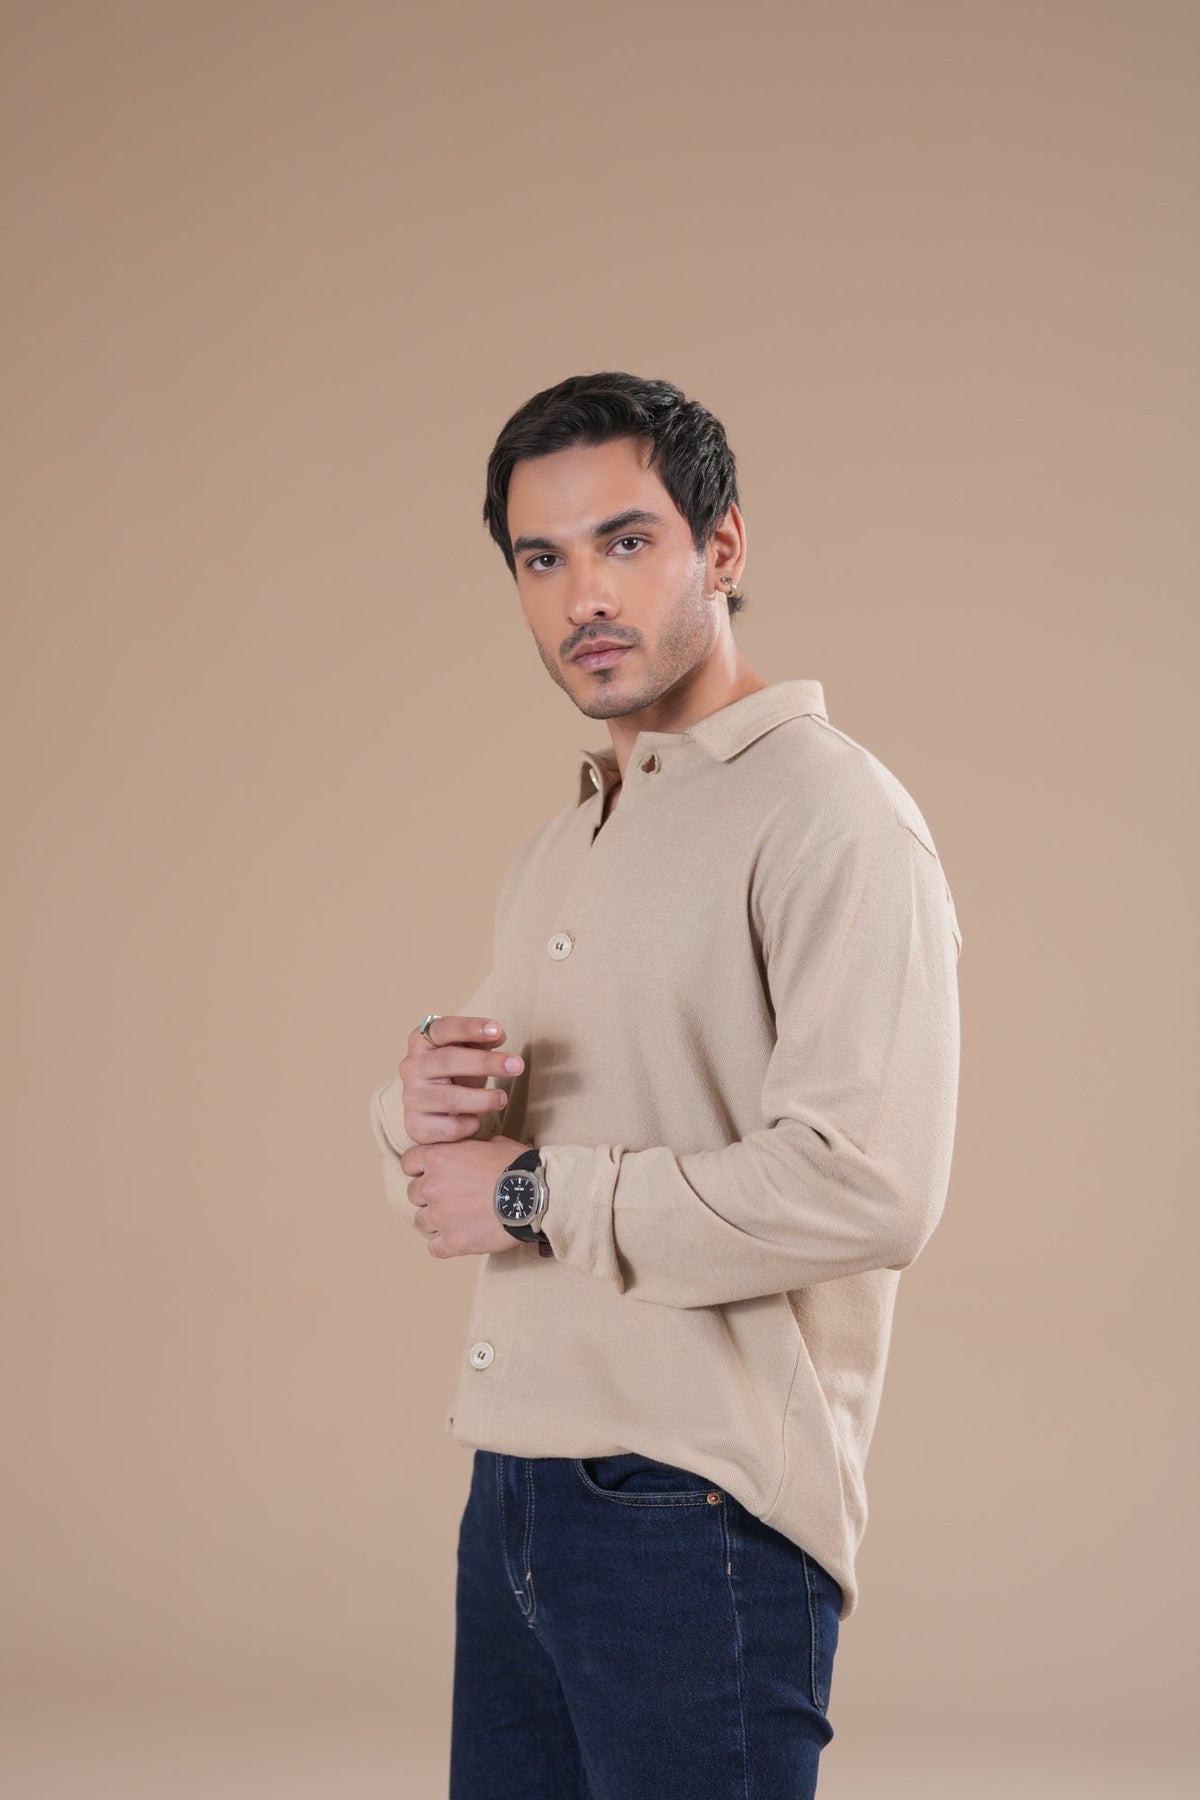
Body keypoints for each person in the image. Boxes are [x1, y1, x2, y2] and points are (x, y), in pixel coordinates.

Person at [369, 371, 963, 1798]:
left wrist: (531, 1190)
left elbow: (870, 1186)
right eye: (542, 558)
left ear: (724, 547)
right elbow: (507, 1150)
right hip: (515, 1488)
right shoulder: (568, 839)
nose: (584, 594)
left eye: (626, 541)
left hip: (697, 1511)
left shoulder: (832, 813)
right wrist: (420, 1109)